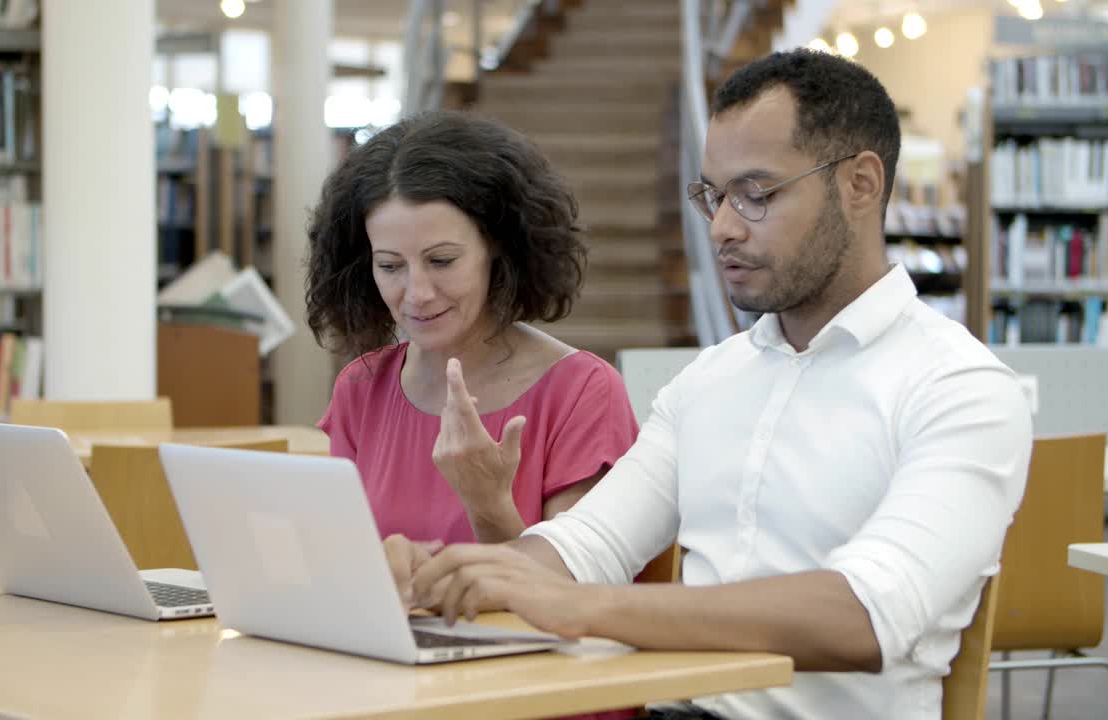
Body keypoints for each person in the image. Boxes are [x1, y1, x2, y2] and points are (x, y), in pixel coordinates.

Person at [393, 50, 1033, 719]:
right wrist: (458, 576)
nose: (723, 227)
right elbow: (588, 545)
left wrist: (584, 607)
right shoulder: (709, 380)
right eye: (713, 196)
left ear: (861, 184)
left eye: (757, 195)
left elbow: (869, 614)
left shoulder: (961, 388)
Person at [306, 110, 640, 547]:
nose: (417, 292)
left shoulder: (583, 393)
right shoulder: (361, 387)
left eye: (441, 260)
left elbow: (578, 594)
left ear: (498, 246)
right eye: (389, 266)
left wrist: (489, 505)